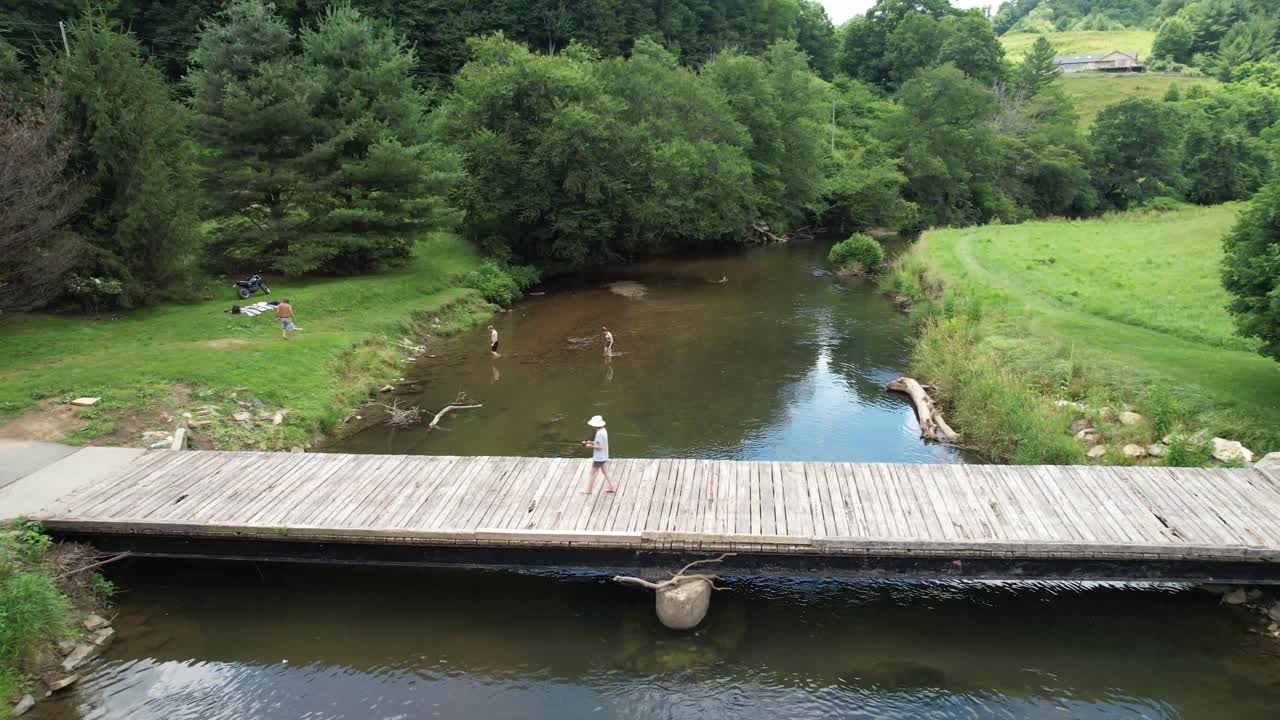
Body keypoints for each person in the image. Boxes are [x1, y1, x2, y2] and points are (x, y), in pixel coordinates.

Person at [582, 415, 615, 494]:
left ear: (595, 425)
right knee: (605, 472)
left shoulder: (599, 434)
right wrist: (591, 442)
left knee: (592, 473)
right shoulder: (603, 430)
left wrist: (590, 446)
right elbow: (600, 443)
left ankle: (588, 490)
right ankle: (612, 487)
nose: (592, 426)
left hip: (599, 458)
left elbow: (599, 447)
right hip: (604, 456)